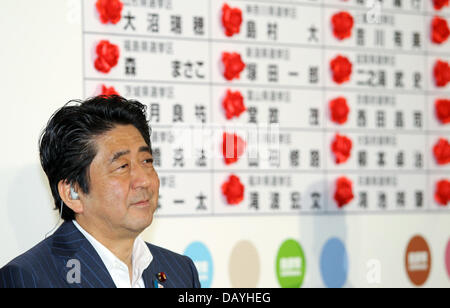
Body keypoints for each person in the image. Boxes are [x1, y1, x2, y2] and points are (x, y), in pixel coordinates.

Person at [0, 95, 200, 288]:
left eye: (146, 161)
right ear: (72, 193)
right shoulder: (28, 277)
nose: (144, 181)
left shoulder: (180, 271)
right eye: (122, 166)